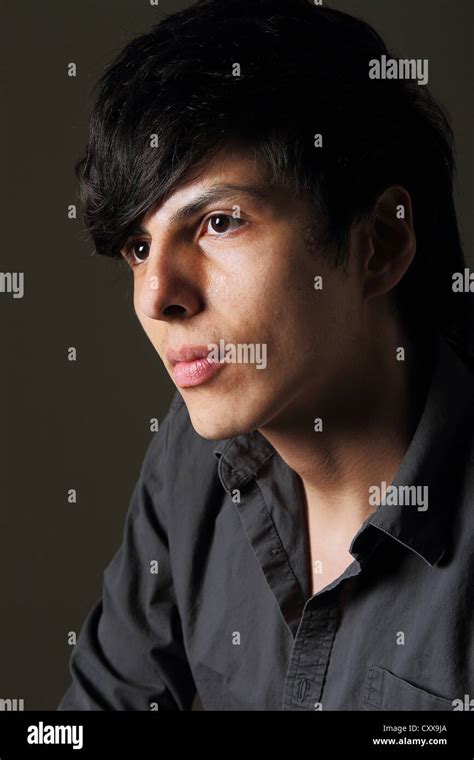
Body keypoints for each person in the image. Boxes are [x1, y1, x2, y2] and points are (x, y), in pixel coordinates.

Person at [58, 0, 474, 711]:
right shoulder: (189, 462)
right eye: (137, 246)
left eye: (218, 222)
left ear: (379, 243)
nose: (158, 294)